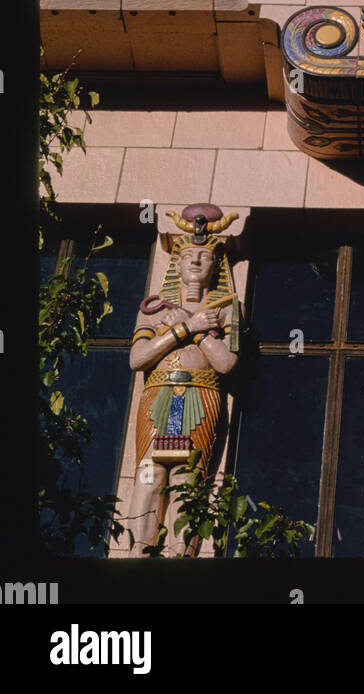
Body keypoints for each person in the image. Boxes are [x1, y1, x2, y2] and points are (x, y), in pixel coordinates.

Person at [126, 211, 238, 556]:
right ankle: (137, 552)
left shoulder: (228, 309)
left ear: (217, 266)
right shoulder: (153, 310)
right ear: (175, 264)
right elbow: (137, 360)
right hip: (158, 394)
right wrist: (181, 330)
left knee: (187, 478)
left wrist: (200, 331)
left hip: (200, 394)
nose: (196, 261)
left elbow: (226, 362)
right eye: (188, 255)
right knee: (149, 474)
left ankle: (181, 553)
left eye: (205, 256)